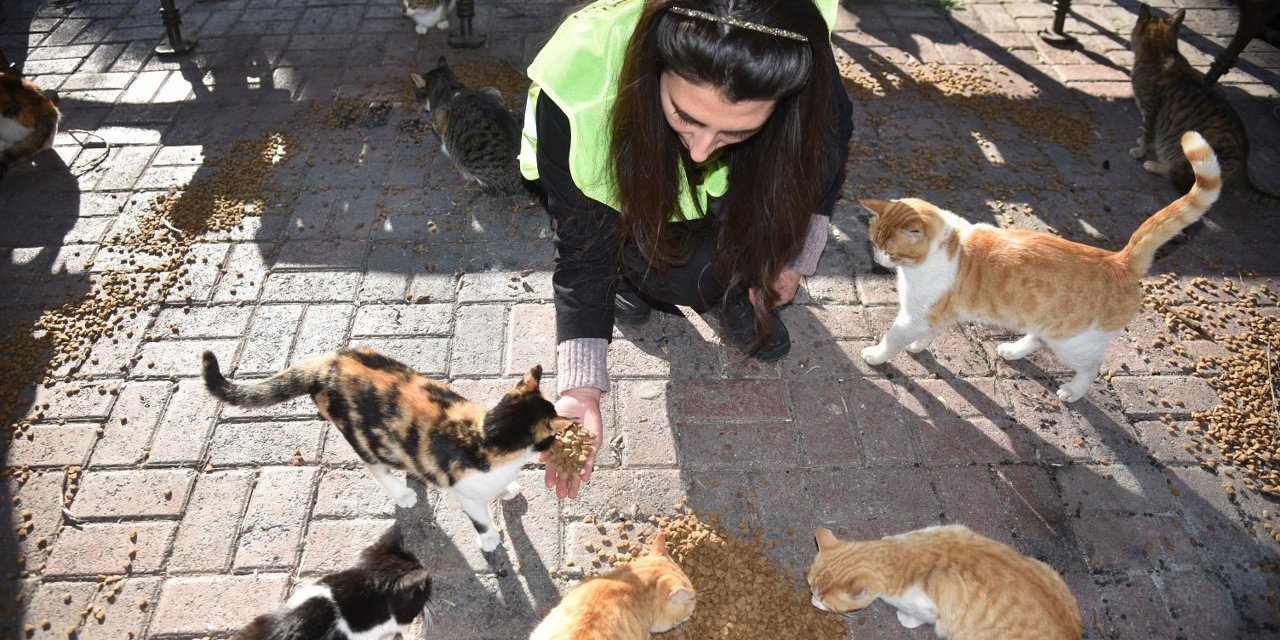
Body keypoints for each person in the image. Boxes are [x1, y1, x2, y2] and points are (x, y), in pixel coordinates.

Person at [519, 0, 853, 498]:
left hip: (737, 180)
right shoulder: (579, 90)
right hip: (631, 190)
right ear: (654, 64)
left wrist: (793, 258)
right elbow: (582, 250)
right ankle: (631, 277)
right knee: (680, 274)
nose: (700, 150)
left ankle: (738, 290)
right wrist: (580, 387)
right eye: (685, 115)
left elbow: (825, 153)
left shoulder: (798, 55)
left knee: (747, 241)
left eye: (736, 129)